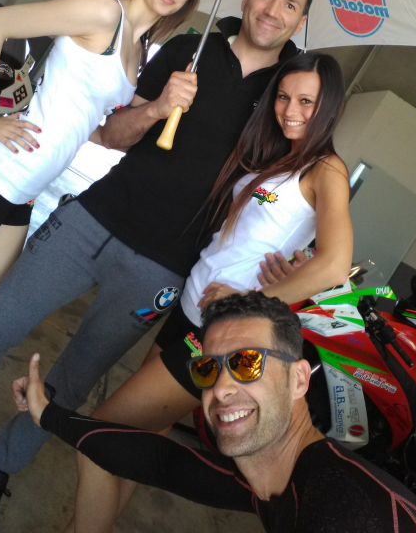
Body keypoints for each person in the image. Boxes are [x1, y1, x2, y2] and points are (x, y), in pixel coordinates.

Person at [0, 0, 313, 530]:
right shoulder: (190, 50)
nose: (272, 10)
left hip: (163, 268)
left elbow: (290, 184)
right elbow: (110, 134)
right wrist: (159, 107)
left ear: (300, 19)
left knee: (69, 384)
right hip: (92, 220)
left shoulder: (286, 96)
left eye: (289, 4)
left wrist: (295, 254)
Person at [65, 51, 353, 532]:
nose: (290, 110)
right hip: (190, 310)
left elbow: (335, 264)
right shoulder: (280, 155)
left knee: (98, 436)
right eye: (284, 97)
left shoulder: (328, 170)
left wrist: (252, 304)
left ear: (331, 108)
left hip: (219, 333)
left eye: (306, 101)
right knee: (147, 436)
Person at [0, 0, 208, 372]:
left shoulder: (138, 49)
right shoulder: (104, 12)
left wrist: (158, 109)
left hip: (21, 195)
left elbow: (91, 128)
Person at [12, 293, 416, 533]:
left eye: (247, 363)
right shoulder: (276, 476)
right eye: (208, 369)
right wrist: (49, 415)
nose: (220, 389)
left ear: (299, 379)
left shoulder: (343, 512)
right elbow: (163, 463)